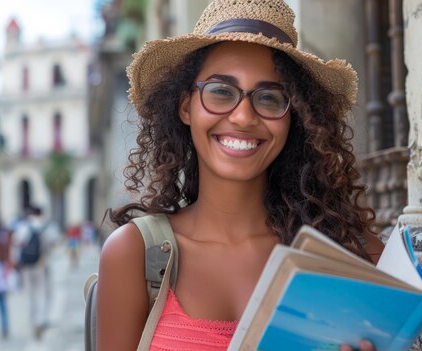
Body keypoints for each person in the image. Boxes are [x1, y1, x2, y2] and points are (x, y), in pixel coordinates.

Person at [96, 0, 386, 350]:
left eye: (269, 98)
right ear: (186, 107)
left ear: (295, 116)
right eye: (221, 92)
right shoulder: (133, 255)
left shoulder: (351, 256)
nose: (244, 117)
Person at [12, 205, 60, 340]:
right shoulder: (47, 226)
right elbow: (54, 244)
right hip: (42, 265)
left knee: (30, 293)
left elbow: (17, 244)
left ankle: (33, 321)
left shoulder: (23, 226)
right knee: (42, 293)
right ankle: (40, 321)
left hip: (26, 265)